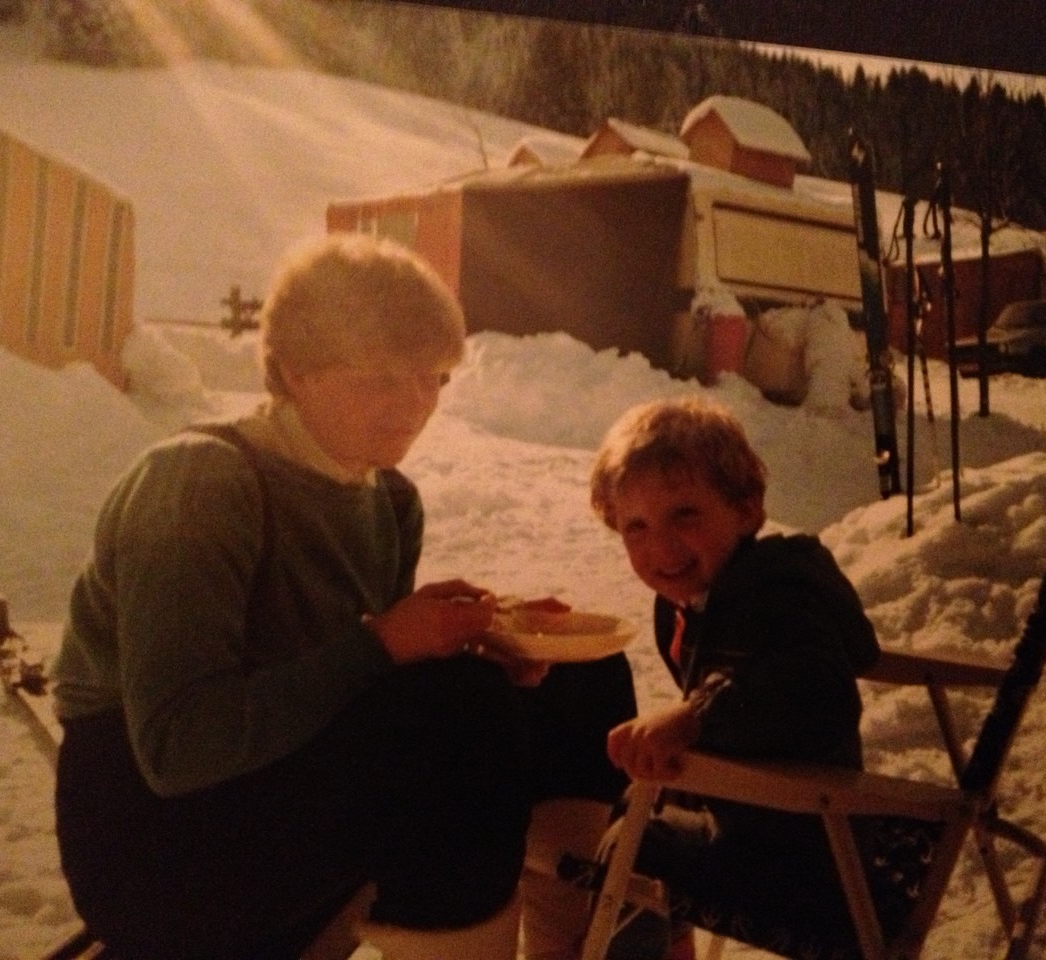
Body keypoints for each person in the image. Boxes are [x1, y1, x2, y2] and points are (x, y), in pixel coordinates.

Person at [52, 233, 535, 960]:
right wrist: (384, 645)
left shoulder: (389, 500)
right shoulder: (201, 483)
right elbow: (178, 747)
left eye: (433, 378)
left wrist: (446, 646)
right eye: (383, 377)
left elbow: (369, 698)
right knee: (462, 709)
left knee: (556, 689)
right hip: (152, 841)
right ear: (296, 373)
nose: (415, 404)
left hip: (274, 791)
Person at [588, 396, 881, 959]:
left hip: (811, 851)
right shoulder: (688, 604)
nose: (660, 547)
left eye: (684, 515)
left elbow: (816, 690)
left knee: (632, 846)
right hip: (752, 819)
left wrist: (696, 717)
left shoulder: (780, 593)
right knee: (633, 807)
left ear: (747, 510)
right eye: (636, 527)